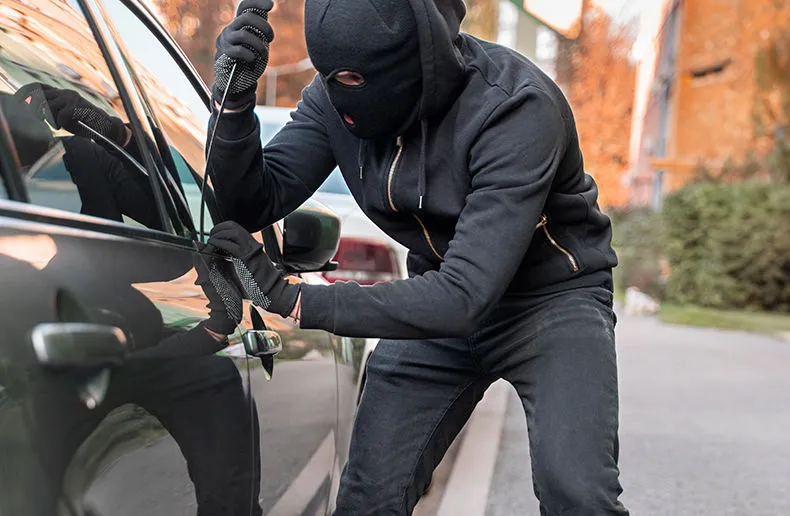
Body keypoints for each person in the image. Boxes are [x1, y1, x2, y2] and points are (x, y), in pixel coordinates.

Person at [206, 0, 628, 514]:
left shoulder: (516, 107)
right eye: (332, 76)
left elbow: (466, 296)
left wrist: (300, 301)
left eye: (357, 78)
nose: (343, 95)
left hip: (552, 301)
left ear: (420, 58)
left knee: (578, 493)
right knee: (368, 498)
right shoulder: (332, 102)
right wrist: (233, 103)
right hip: (438, 298)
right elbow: (249, 202)